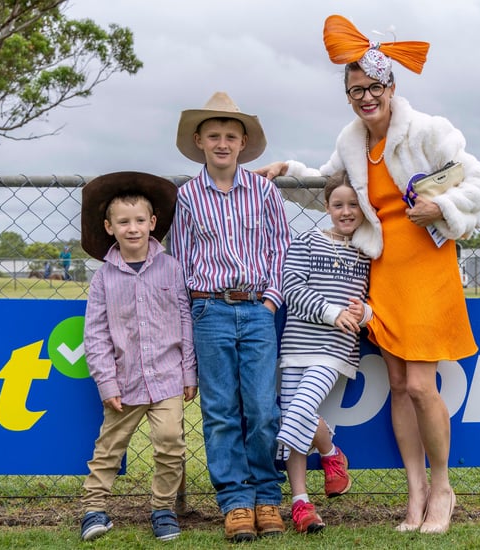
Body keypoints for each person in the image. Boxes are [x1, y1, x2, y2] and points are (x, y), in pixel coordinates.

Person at [257, 14, 480, 535]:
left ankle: (442, 488)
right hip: (382, 274)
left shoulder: (429, 131)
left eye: (373, 88)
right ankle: (413, 494)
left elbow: (479, 185)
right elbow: (329, 181)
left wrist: (443, 208)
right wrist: (286, 169)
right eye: (355, 91)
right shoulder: (352, 141)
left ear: (391, 86)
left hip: (428, 270)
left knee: (421, 384)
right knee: (400, 387)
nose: (365, 98)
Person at [169, 91, 291, 542]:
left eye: (231, 136)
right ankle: (235, 501)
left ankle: (266, 495)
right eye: (214, 135)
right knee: (220, 410)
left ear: (243, 143)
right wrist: (191, 314)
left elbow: (281, 250)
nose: (222, 143)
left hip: (257, 308)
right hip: (209, 308)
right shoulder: (185, 198)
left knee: (261, 408)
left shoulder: (264, 192)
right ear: (199, 140)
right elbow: (179, 262)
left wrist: (271, 301)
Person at [79, 171, 197, 542]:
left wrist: (189, 372)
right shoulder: (103, 279)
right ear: (109, 227)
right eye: (124, 222)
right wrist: (106, 381)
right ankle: (94, 509)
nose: (133, 229)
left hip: (166, 377)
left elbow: (184, 319)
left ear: (154, 223)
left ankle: (162, 509)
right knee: (108, 447)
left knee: (170, 443)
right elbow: (95, 334)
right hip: (124, 379)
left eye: (140, 221)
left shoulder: (171, 268)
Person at [277, 171, 372, 534]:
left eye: (354, 205)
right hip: (296, 347)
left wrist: (364, 313)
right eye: (338, 205)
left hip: (334, 352)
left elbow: (376, 302)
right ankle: (303, 500)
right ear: (327, 207)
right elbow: (293, 290)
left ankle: (273, 454)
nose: (346, 212)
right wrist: (333, 313)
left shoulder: (369, 250)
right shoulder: (305, 242)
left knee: (298, 410)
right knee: (298, 414)